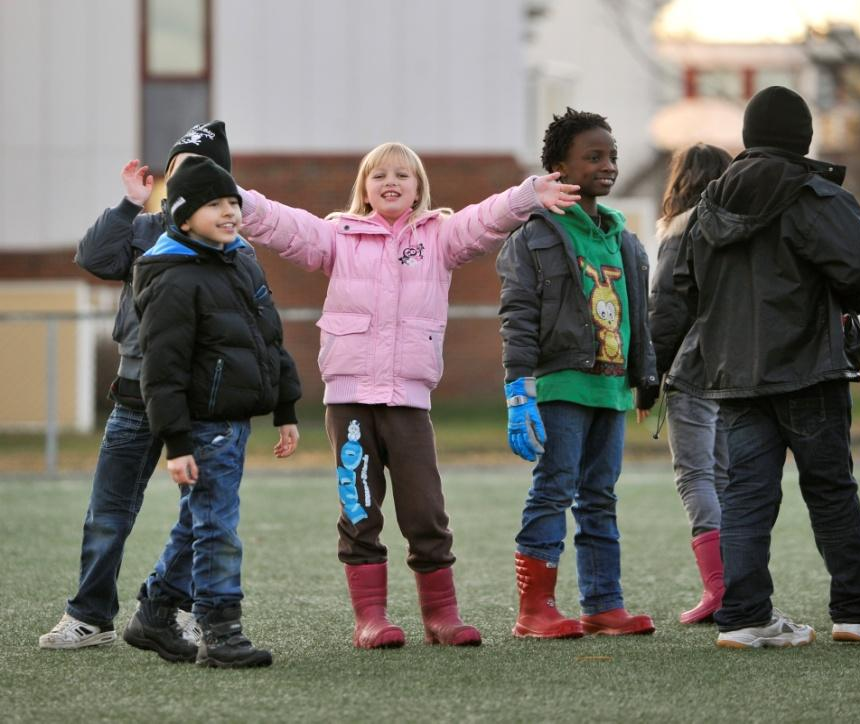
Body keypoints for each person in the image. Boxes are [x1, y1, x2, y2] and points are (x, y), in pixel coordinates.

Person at [237, 141, 579, 649]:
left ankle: (441, 615)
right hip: (349, 402)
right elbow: (284, 225)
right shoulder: (338, 237)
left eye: (402, 174)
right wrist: (235, 197)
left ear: (419, 187)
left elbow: (484, 220)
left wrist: (528, 193)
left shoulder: (439, 237)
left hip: (409, 401)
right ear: (364, 189)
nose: (390, 181)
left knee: (426, 510)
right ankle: (370, 618)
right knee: (359, 509)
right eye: (378, 176)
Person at [665, 86, 860, 648]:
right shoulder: (814, 195)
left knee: (746, 496)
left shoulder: (708, 206)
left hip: (732, 377)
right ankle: (857, 613)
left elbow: (684, 288)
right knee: (831, 490)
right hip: (808, 367)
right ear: (803, 137)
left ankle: (746, 618)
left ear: (749, 137)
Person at [40, 121, 233, 650]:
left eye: (200, 172)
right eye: (177, 170)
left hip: (196, 402)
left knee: (205, 513)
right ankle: (90, 615)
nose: (184, 181)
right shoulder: (145, 230)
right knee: (108, 510)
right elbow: (95, 258)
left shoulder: (230, 239)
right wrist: (128, 205)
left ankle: (184, 610)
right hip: (133, 395)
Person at [123, 156, 301, 668]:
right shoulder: (173, 277)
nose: (229, 212)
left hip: (235, 420)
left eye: (232, 203)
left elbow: (268, 338)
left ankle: (155, 613)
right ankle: (221, 632)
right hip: (204, 425)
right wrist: (176, 442)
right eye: (213, 205)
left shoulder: (240, 258)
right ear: (182, 218)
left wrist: (285, 405)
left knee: (199, 518)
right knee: (216, 523)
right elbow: (163, 369)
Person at [496, 108, 659, 639]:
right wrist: (518, 387)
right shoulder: (535, 234)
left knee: (600, 496)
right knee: (554, 489)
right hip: (561, 386)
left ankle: (603, 604)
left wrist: (644, 379)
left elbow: (639, 316)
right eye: (593, 157)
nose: (607, 166)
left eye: (611, 156)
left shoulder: (624, 238)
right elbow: (518, 314)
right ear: (559, 169)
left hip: (611, 390)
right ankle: (534, 610)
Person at [649, 143, 732, 624]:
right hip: (739, 370)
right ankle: (738, 585)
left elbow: (667, 308)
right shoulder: (741, 232)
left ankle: (718, 588)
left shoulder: (680, 232)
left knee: (697, 476)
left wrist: (649, 378)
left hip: (695, 369)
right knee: (730, 479)